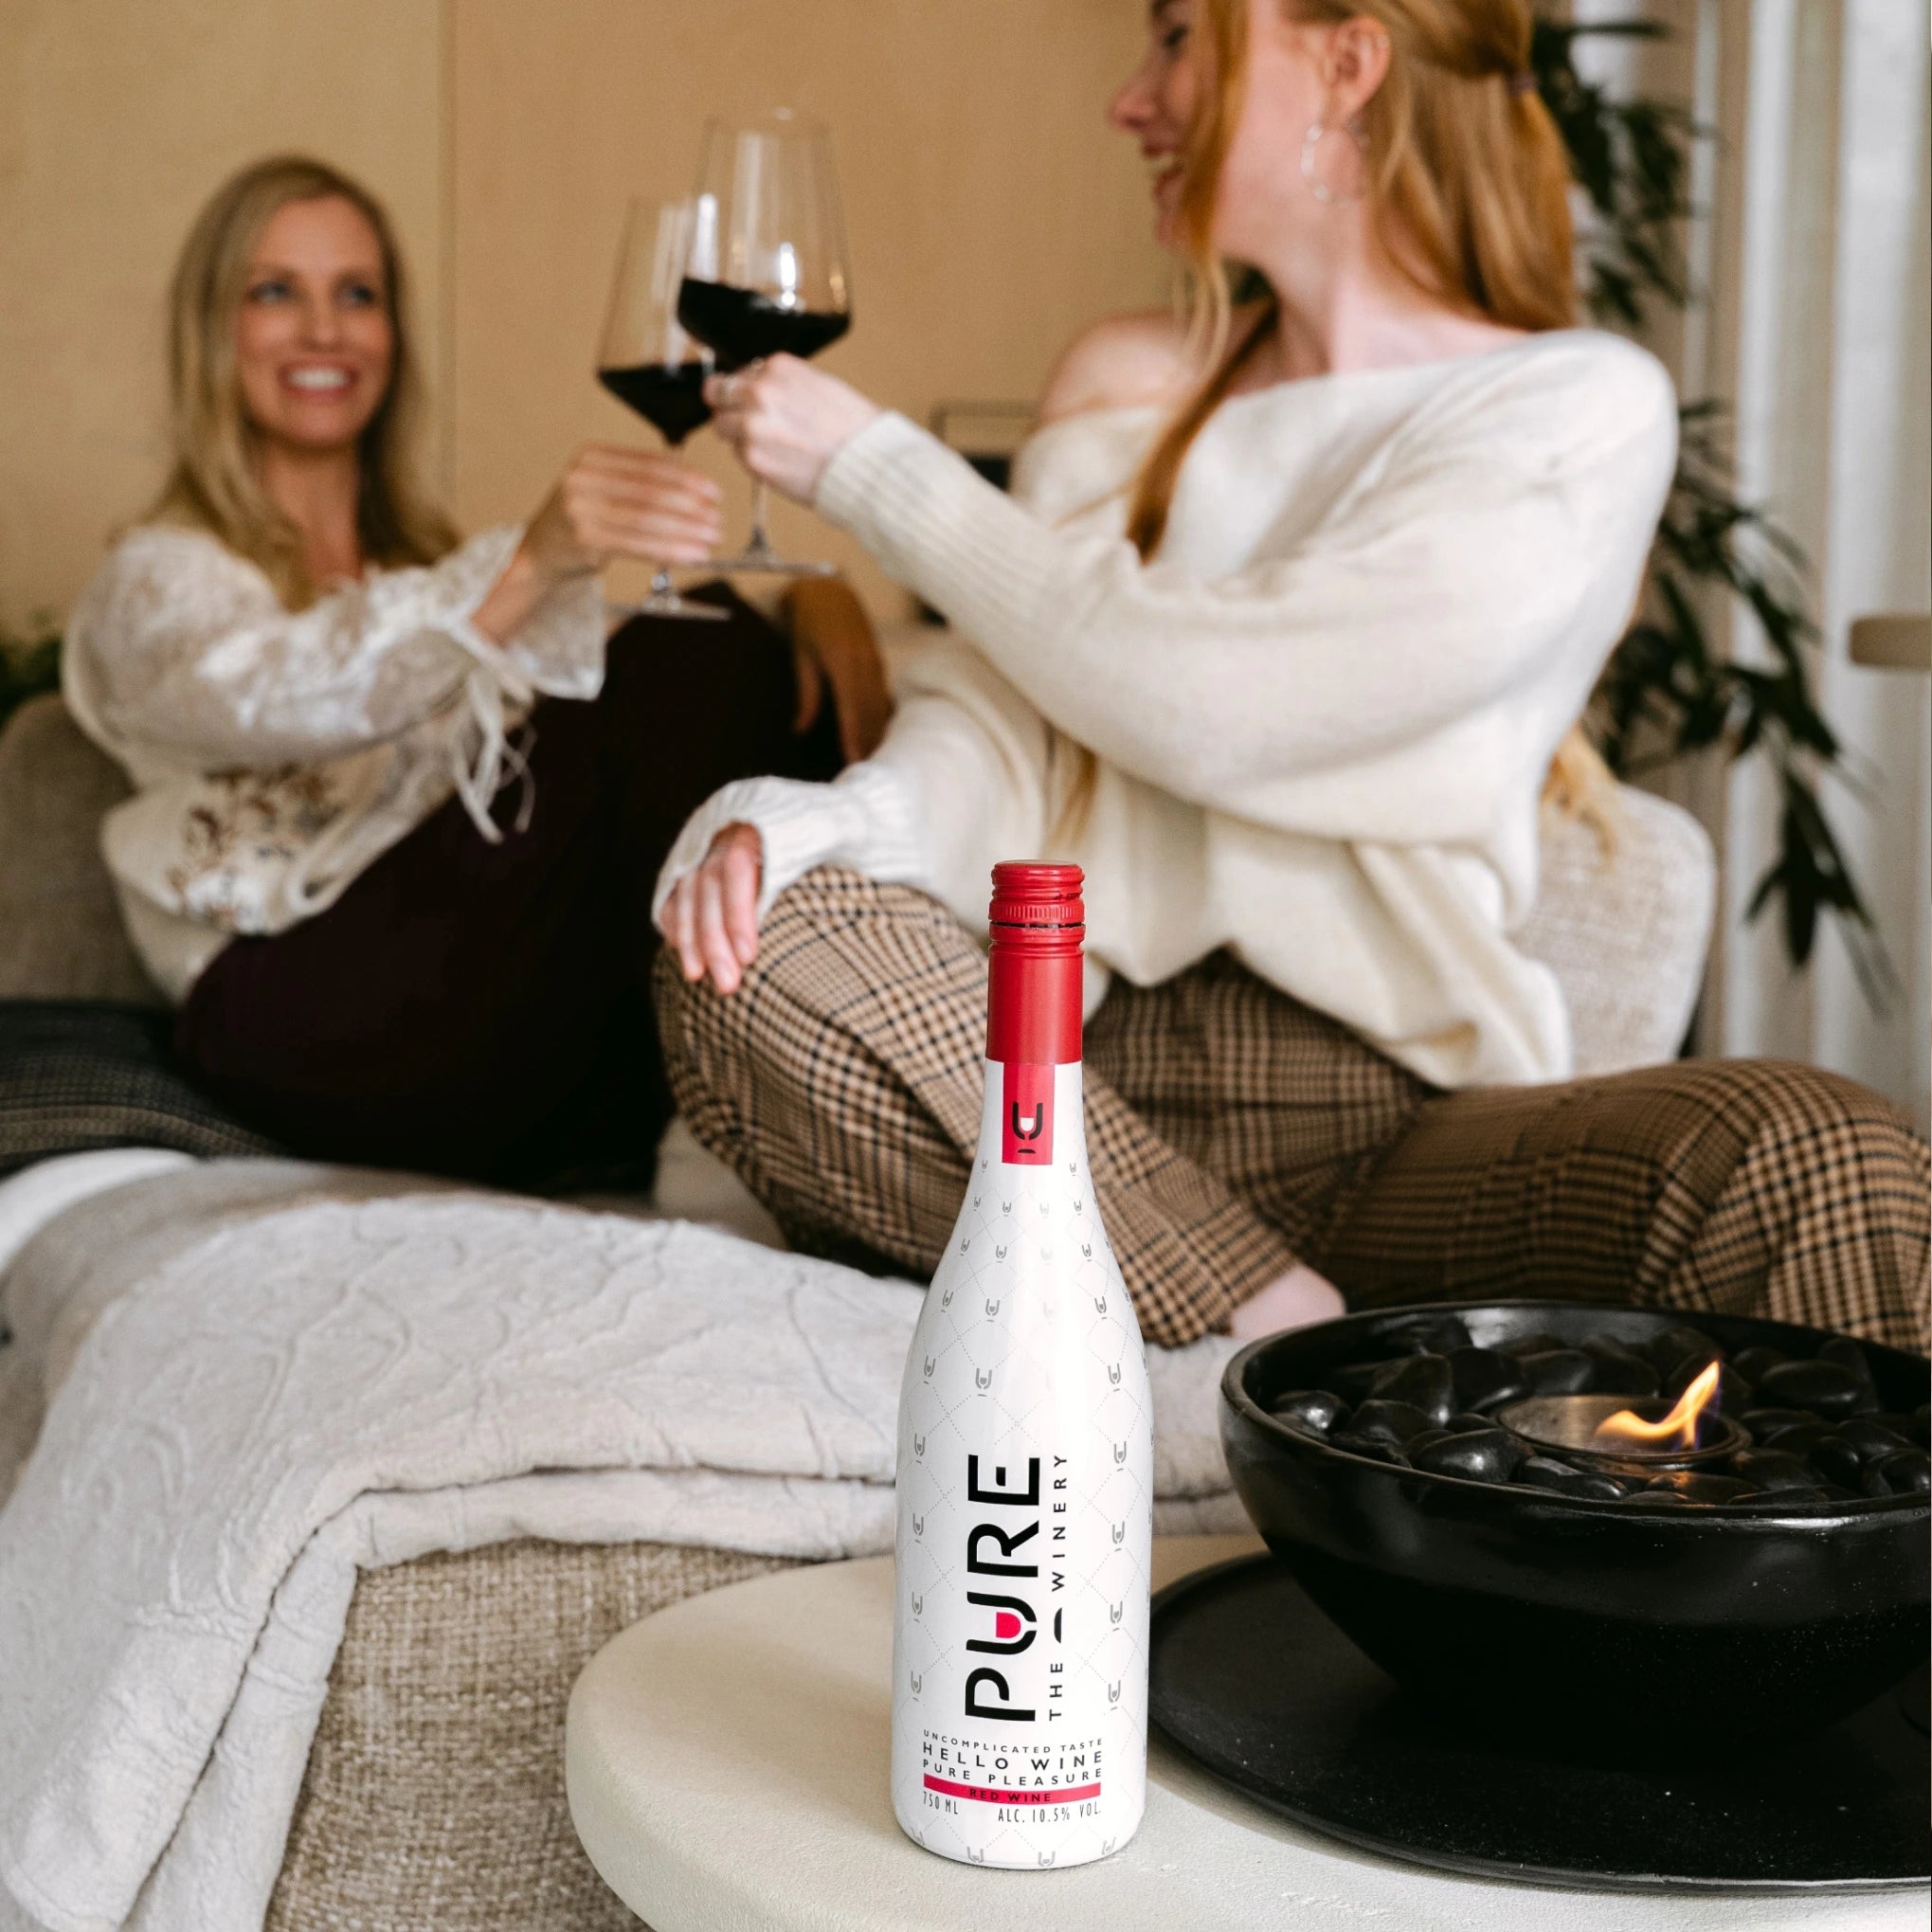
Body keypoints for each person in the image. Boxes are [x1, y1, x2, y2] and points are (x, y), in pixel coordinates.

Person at [653, 0, 1928, 1351]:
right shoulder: (1124, 376)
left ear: (1347, 60)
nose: (1130, 100)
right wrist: (832, 825)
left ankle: (1188, 1300)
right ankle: (1257, 1313)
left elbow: (1212, 704)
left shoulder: (1571, 406)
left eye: (1176, 38)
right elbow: (1005, 720)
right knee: (744, 941)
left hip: (1400, 1133)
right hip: (1058, 1081)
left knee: (1820, 1154)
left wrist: (875, 472)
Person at [64, 154, 886, 1189]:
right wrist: (530, 565)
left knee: (733, 666)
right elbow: (279, 691)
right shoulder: (156, 579)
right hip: (296, 1013)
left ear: (392, 334)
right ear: (212, 327)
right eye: (275, 291)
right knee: (695, 648)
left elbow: (592, 712)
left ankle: (777, 1080)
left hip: (470, 1000)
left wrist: (806, 603)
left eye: (356, 295)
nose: (322, 330)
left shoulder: (421, 566)